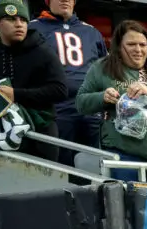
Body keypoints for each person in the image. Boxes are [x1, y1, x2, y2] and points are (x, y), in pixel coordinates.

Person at [76, 20, 147, 184]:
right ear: (119, 47)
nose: (138, 50)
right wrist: (102, 97)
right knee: (128, 208)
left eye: (143, 45)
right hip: (124, 157)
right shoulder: (102, 68)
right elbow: (80, 103)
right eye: (131, 44)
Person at [0, 0, 67, 161]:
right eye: (11, 19)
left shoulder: (43, 53)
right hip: (1, 136)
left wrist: (16, 94)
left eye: (23, 20)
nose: (19, 24)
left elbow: (60, 90)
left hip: (40, 133)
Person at [29, 0, 106, 166]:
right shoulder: (32, 28)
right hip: (56, 109)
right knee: (62, 165)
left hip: (90, 109)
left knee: (94, 164)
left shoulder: (91, 31)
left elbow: (104, 70)